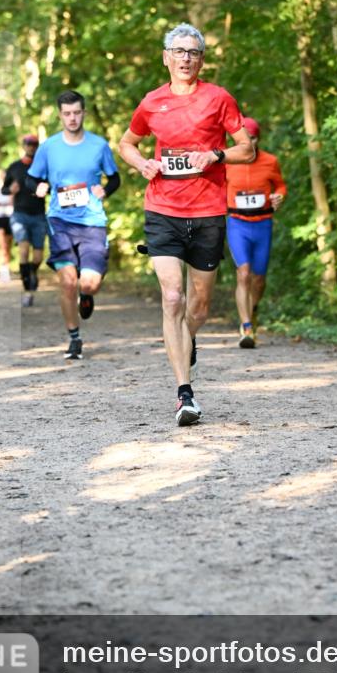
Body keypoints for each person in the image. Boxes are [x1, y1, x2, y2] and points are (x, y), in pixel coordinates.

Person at [118, 22, 254, 426]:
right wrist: (142, 162)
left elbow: (247, 149)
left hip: (209, 211)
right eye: (178, 51)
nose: (185, 58)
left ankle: (187, 338)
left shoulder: (218, 98)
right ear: (166, 57)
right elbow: (127, 143)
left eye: (193, 52)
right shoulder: (151, 102)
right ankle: (185, 394)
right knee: (172, 298)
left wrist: (217, 155)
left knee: (199, 305)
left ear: (202, 59)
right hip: (162, 211)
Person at [26, 91, 120, 359]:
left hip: (92, 221)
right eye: (67, 113)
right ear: (60, 116)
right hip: (60, 220)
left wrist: (106, 190)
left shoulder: (98, 145)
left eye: (77, 112)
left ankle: (87, 294)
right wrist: (39, 187)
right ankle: (74, 337)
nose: (72, 118)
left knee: (88, 284)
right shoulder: (48, 147)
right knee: (68, 281)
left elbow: (114, 179)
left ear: (84, 113)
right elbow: (31, 178)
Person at [225, 116, 287, 348]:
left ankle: (253, 309)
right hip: (237, 222)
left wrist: (279, 196)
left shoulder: (270, 161)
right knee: (243, 272)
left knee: (259, 279)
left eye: (252, 137)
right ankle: (247, 327)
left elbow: (280, 185)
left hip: (263, 223)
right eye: (243, 137)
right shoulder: (227, 161)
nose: (248, 142)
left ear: (258, 138)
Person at [2, 134, 48, 307]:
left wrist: (46, 188)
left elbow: (52, 187)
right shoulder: (14, 167)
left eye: (35, 144)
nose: (31, 146)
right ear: (23, 145)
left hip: (39, 215)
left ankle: (31, 273)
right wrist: (10, 190)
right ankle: (28, 290)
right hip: (20, 214)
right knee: (23, 250)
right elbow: (4, 189)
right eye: (28, 144)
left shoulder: (44, 167)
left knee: (37, 257)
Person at [0, 170, 14, 283]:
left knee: (8, 246)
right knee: (3, 245)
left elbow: (13, 203)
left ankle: (6, 269)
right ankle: (3, 270)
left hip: (10, 218)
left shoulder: (11, 190)